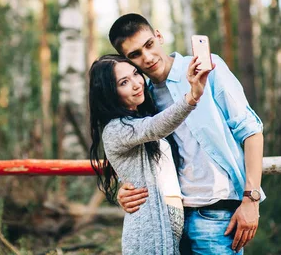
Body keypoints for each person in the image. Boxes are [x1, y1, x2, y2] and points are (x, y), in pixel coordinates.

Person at [110, 14, 264, 254]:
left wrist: (251, 200)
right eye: (135, 54)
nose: (147, 58)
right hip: (169, 224)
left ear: (159, 36)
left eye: (149, 44)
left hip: (217, 217)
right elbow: (139, 156)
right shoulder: (143, 98)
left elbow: (251, 131)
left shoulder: (207, 68)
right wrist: (126, 191)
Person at [89, 54, 211, 254]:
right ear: (109, 93)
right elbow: (156, 127)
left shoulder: (139, 118)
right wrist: (192, 96)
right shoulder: (116, 129)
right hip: (149, 232)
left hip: (169, 228)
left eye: (136, 74)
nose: (137, 84)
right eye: (124, 82)